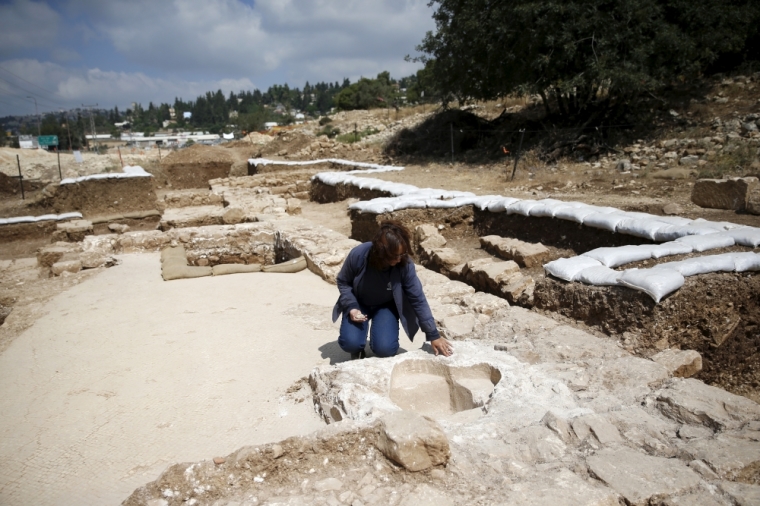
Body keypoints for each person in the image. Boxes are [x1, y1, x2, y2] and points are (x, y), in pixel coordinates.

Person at [332, 220, 454, 359]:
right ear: (380, 252)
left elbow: (418, 298)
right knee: (350, 343)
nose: (398, 259)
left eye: (401, 254)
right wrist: (352, 307)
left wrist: (433, 334)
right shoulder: (359, 255)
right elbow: (343, 281)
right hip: (359, 303)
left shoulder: (404, 265)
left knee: (385, 350)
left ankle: (378, 339)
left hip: (386, 306)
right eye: (393, 256)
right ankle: (358, 348)